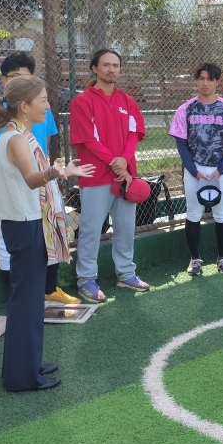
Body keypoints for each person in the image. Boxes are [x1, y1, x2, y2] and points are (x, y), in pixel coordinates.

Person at [0, 77, 93, 391]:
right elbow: (33, 179)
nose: (48, 105)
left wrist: (61, 170)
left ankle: (26, 364)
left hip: (29, 221)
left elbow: (35, 178)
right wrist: (54, 172)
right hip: (24, 223)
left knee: (31, 299)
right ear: (24, 106)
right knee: (26, 300)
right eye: (44, 100)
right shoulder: (16, 138)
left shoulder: (22, 134)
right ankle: (22, 376)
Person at [0, 51, 77, 304]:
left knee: (46, 247)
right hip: (19, 199)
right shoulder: (8, 129)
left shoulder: (30, 124)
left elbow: (44, 145)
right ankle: (23, 297)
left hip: (40, 193)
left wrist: (54, 173)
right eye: (16, 77)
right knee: (17, 258)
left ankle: (45, 292)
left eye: (27, 77)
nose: (47, 105)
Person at [68, 49, 150, 302]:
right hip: (95, 175)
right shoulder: (82, 102)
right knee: (92, 228)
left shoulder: (128, 101)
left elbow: (134, 134)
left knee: (126, 228)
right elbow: (87, 139)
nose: (111, 69)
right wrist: (114, 162)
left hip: (125, 175)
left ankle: (125, 273)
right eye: (106, 65)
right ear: (94, 68)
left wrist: (124, 160)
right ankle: (86, 279)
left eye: (115, 65)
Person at [169, 62, 223, 275]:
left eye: (210, 79)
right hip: (196, 171)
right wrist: (194, 171)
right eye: (201, 78)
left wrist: (221, 169)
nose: (205, 83)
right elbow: (181, 144)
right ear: (196, 80)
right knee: (194, 212)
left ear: (217, 82)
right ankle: (195, 260)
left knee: (221, 212)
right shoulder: (186, 109)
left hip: (220, 171)